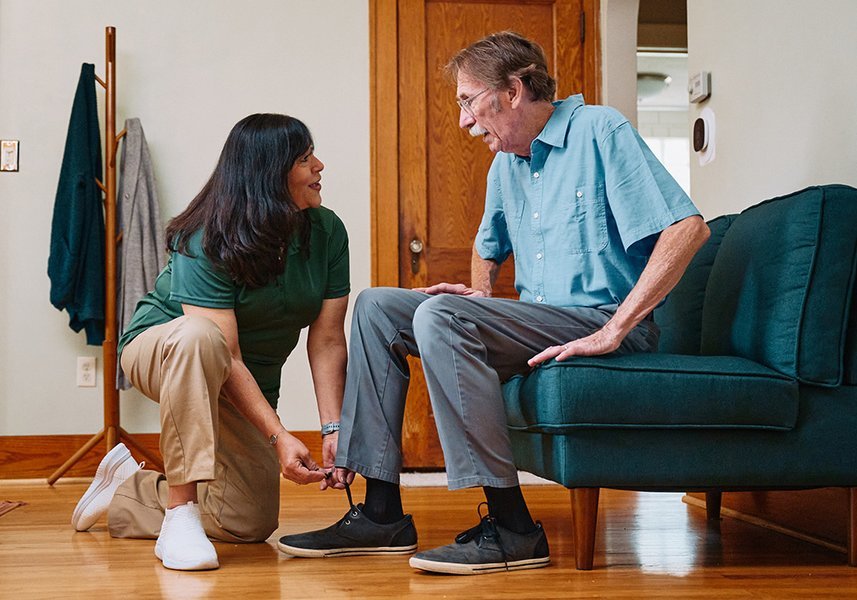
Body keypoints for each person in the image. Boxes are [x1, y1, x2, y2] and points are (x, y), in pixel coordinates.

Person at [277, 31, 710, 575]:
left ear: (513, 90)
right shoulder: (506, 163)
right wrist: (480, 296)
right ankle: (382, 511)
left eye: (468, 100)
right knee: (377, 306)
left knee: (440, 314)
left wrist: (617, 327)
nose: (463, 120)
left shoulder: (600, 130)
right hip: (543, 323)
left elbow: (688, 229)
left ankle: (512, 528)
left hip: (600, 319)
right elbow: (488, 246)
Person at [71, 113, 351, 571]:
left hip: (241, 383)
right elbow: (225, 352)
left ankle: (130, 488)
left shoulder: (326, 232)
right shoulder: (205, 235)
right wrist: (279, 436)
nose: (319, 166)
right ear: (268, 174)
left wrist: (333, 429)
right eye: (304, 159)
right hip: (164, 349)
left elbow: (326, 340)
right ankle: (179, 513)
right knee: (200, 337)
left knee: (248, 522)